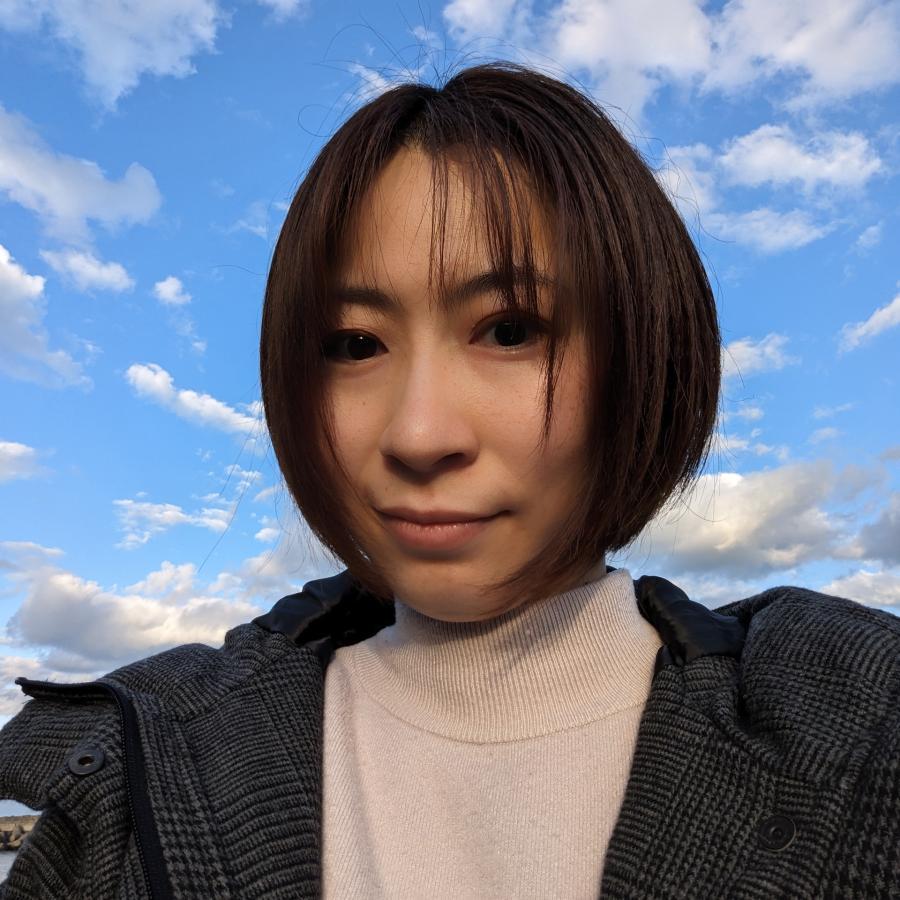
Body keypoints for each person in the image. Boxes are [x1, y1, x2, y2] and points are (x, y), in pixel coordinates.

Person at [1, 60, 898, 900]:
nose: (419, 434)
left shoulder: (865, 726)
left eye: (510, 330)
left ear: (644, 352)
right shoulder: (136, 765)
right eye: (355, 344)